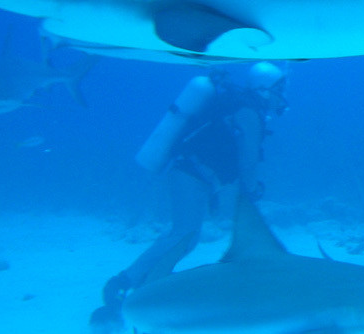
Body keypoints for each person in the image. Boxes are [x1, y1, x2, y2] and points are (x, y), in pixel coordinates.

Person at [89, 61, 288, 329]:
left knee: (186, 236)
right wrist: (251, 191)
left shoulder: (239, 104)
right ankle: (124, 284)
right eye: (280, 88)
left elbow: (228, 159)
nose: (283, 94)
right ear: (264, 89)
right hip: (193, 172)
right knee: (184, 236)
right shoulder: (249, 112)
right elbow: (248, 160)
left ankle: (141, 287)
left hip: (194, 170)